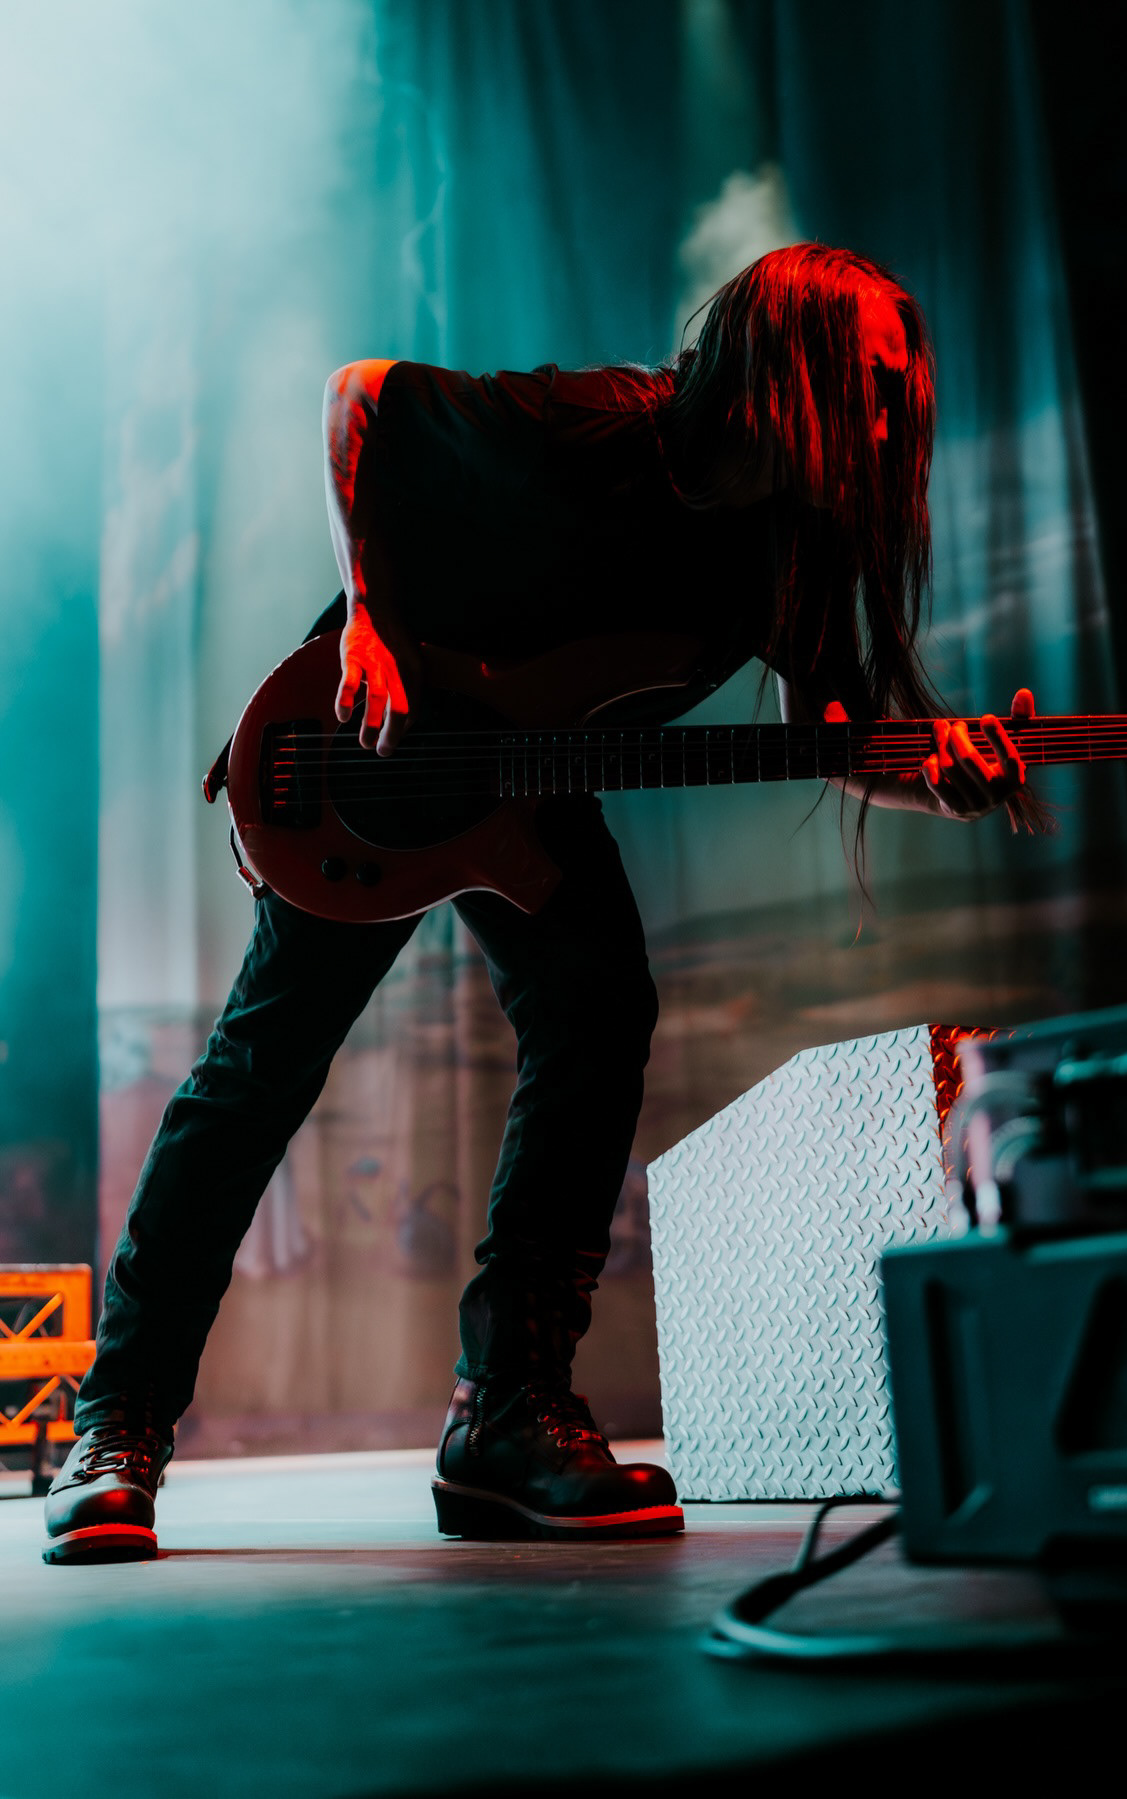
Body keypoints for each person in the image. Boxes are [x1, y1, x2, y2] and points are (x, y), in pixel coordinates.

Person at [43, 244, 1036, 1564]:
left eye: (900, 394)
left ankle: (506, 1411)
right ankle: (117, 1424)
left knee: (598, 1015)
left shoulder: (787, 542)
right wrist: (370, 619)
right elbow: (360, 397)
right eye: (871, 382)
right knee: (260, 1070)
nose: (892, 419)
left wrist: (941, 776)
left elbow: (832, 736)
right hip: (377, 749)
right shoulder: (598, 426)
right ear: (782, 359)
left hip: (529, 783)